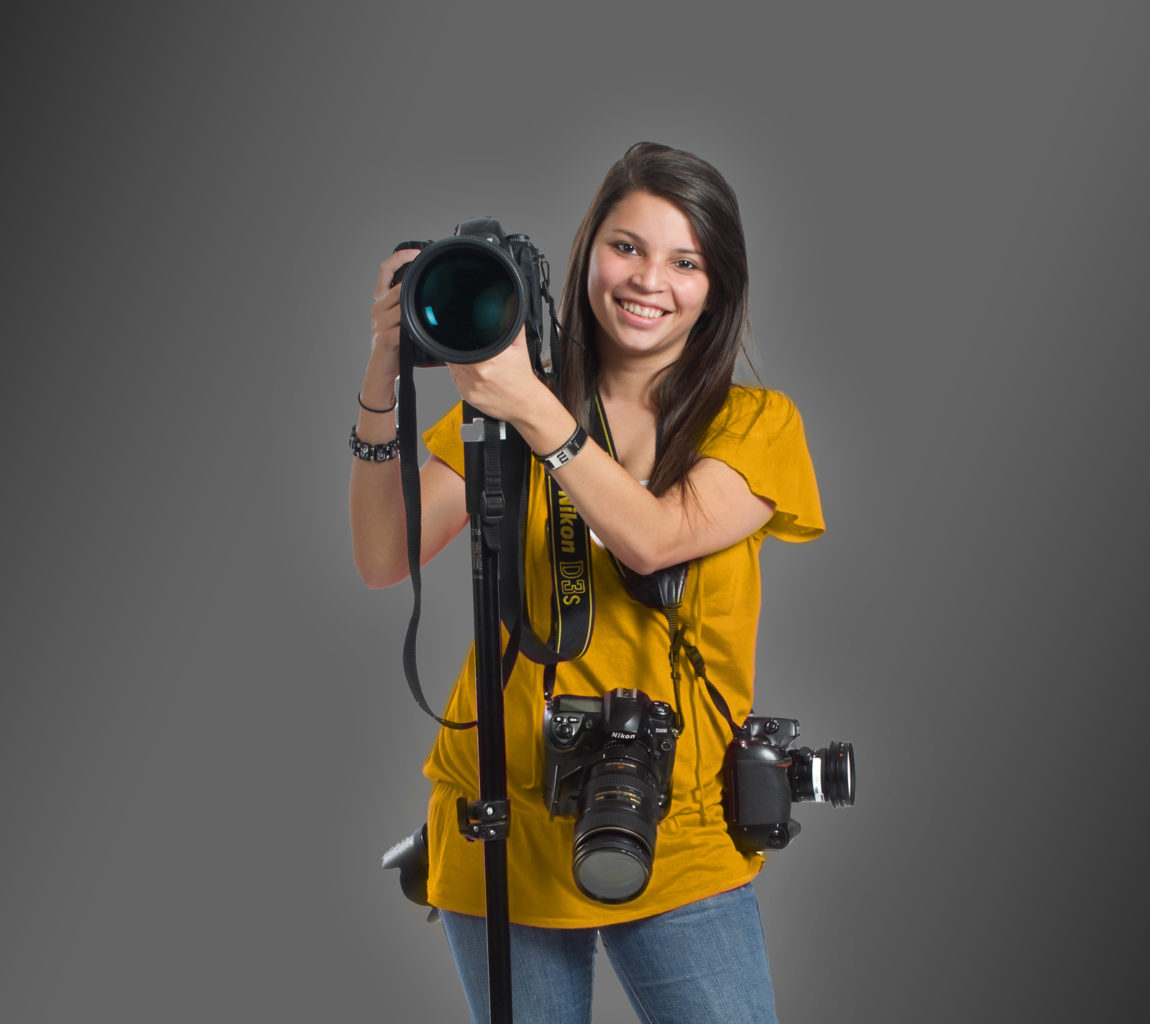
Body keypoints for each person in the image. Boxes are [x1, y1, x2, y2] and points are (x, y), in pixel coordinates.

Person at [349, 142, 825, 1024]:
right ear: (586, 253)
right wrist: (386, 361)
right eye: (627, 246)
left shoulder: (755, 424)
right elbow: (384, 557)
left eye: (686, 261)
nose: (649, 280)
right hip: (504, 810)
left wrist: (534, 407)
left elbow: (652, 540)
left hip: (669, 817)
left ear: (717, 286)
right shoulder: (501, 411)